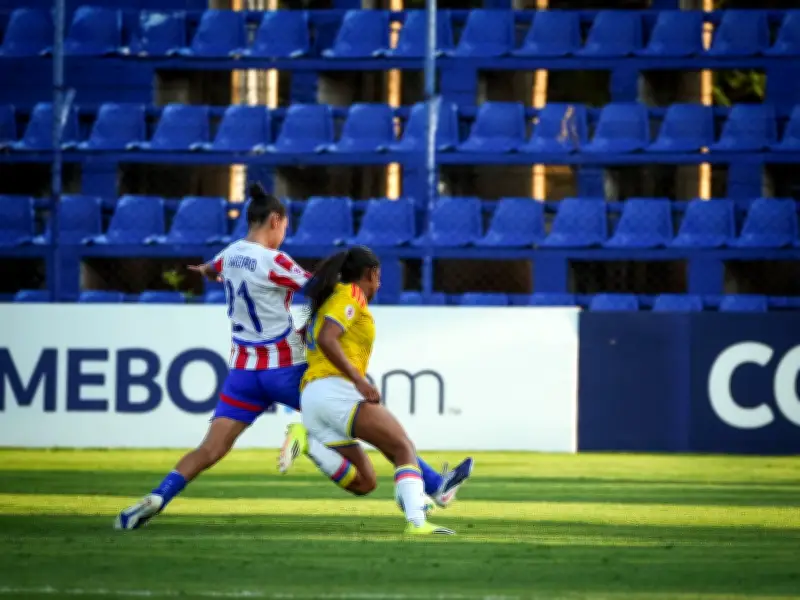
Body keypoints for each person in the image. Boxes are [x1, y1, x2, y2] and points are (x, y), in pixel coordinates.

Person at [115, 185, 466, 530]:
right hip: (285, 368)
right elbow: (317, 288)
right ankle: (433, 483)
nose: (284, 233)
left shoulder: (230, 254)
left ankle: (159, 496)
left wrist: (206, 270)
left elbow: (211, 269)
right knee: (376, 428)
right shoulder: (274, 261)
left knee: (209, 450)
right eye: (284, 226)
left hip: (242, 373)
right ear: (275, 220)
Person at [279, 246, 473, 536]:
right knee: (401, 447)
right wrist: (359, 380)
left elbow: (306, 340)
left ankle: (308, 443)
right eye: (378, 277)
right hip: (336, 391)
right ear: (371, 274)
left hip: (314, 399)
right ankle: (417, 521)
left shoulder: (326, 302)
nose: (379, 285)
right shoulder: (351, 295)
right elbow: (326, 338)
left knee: (365, 482)